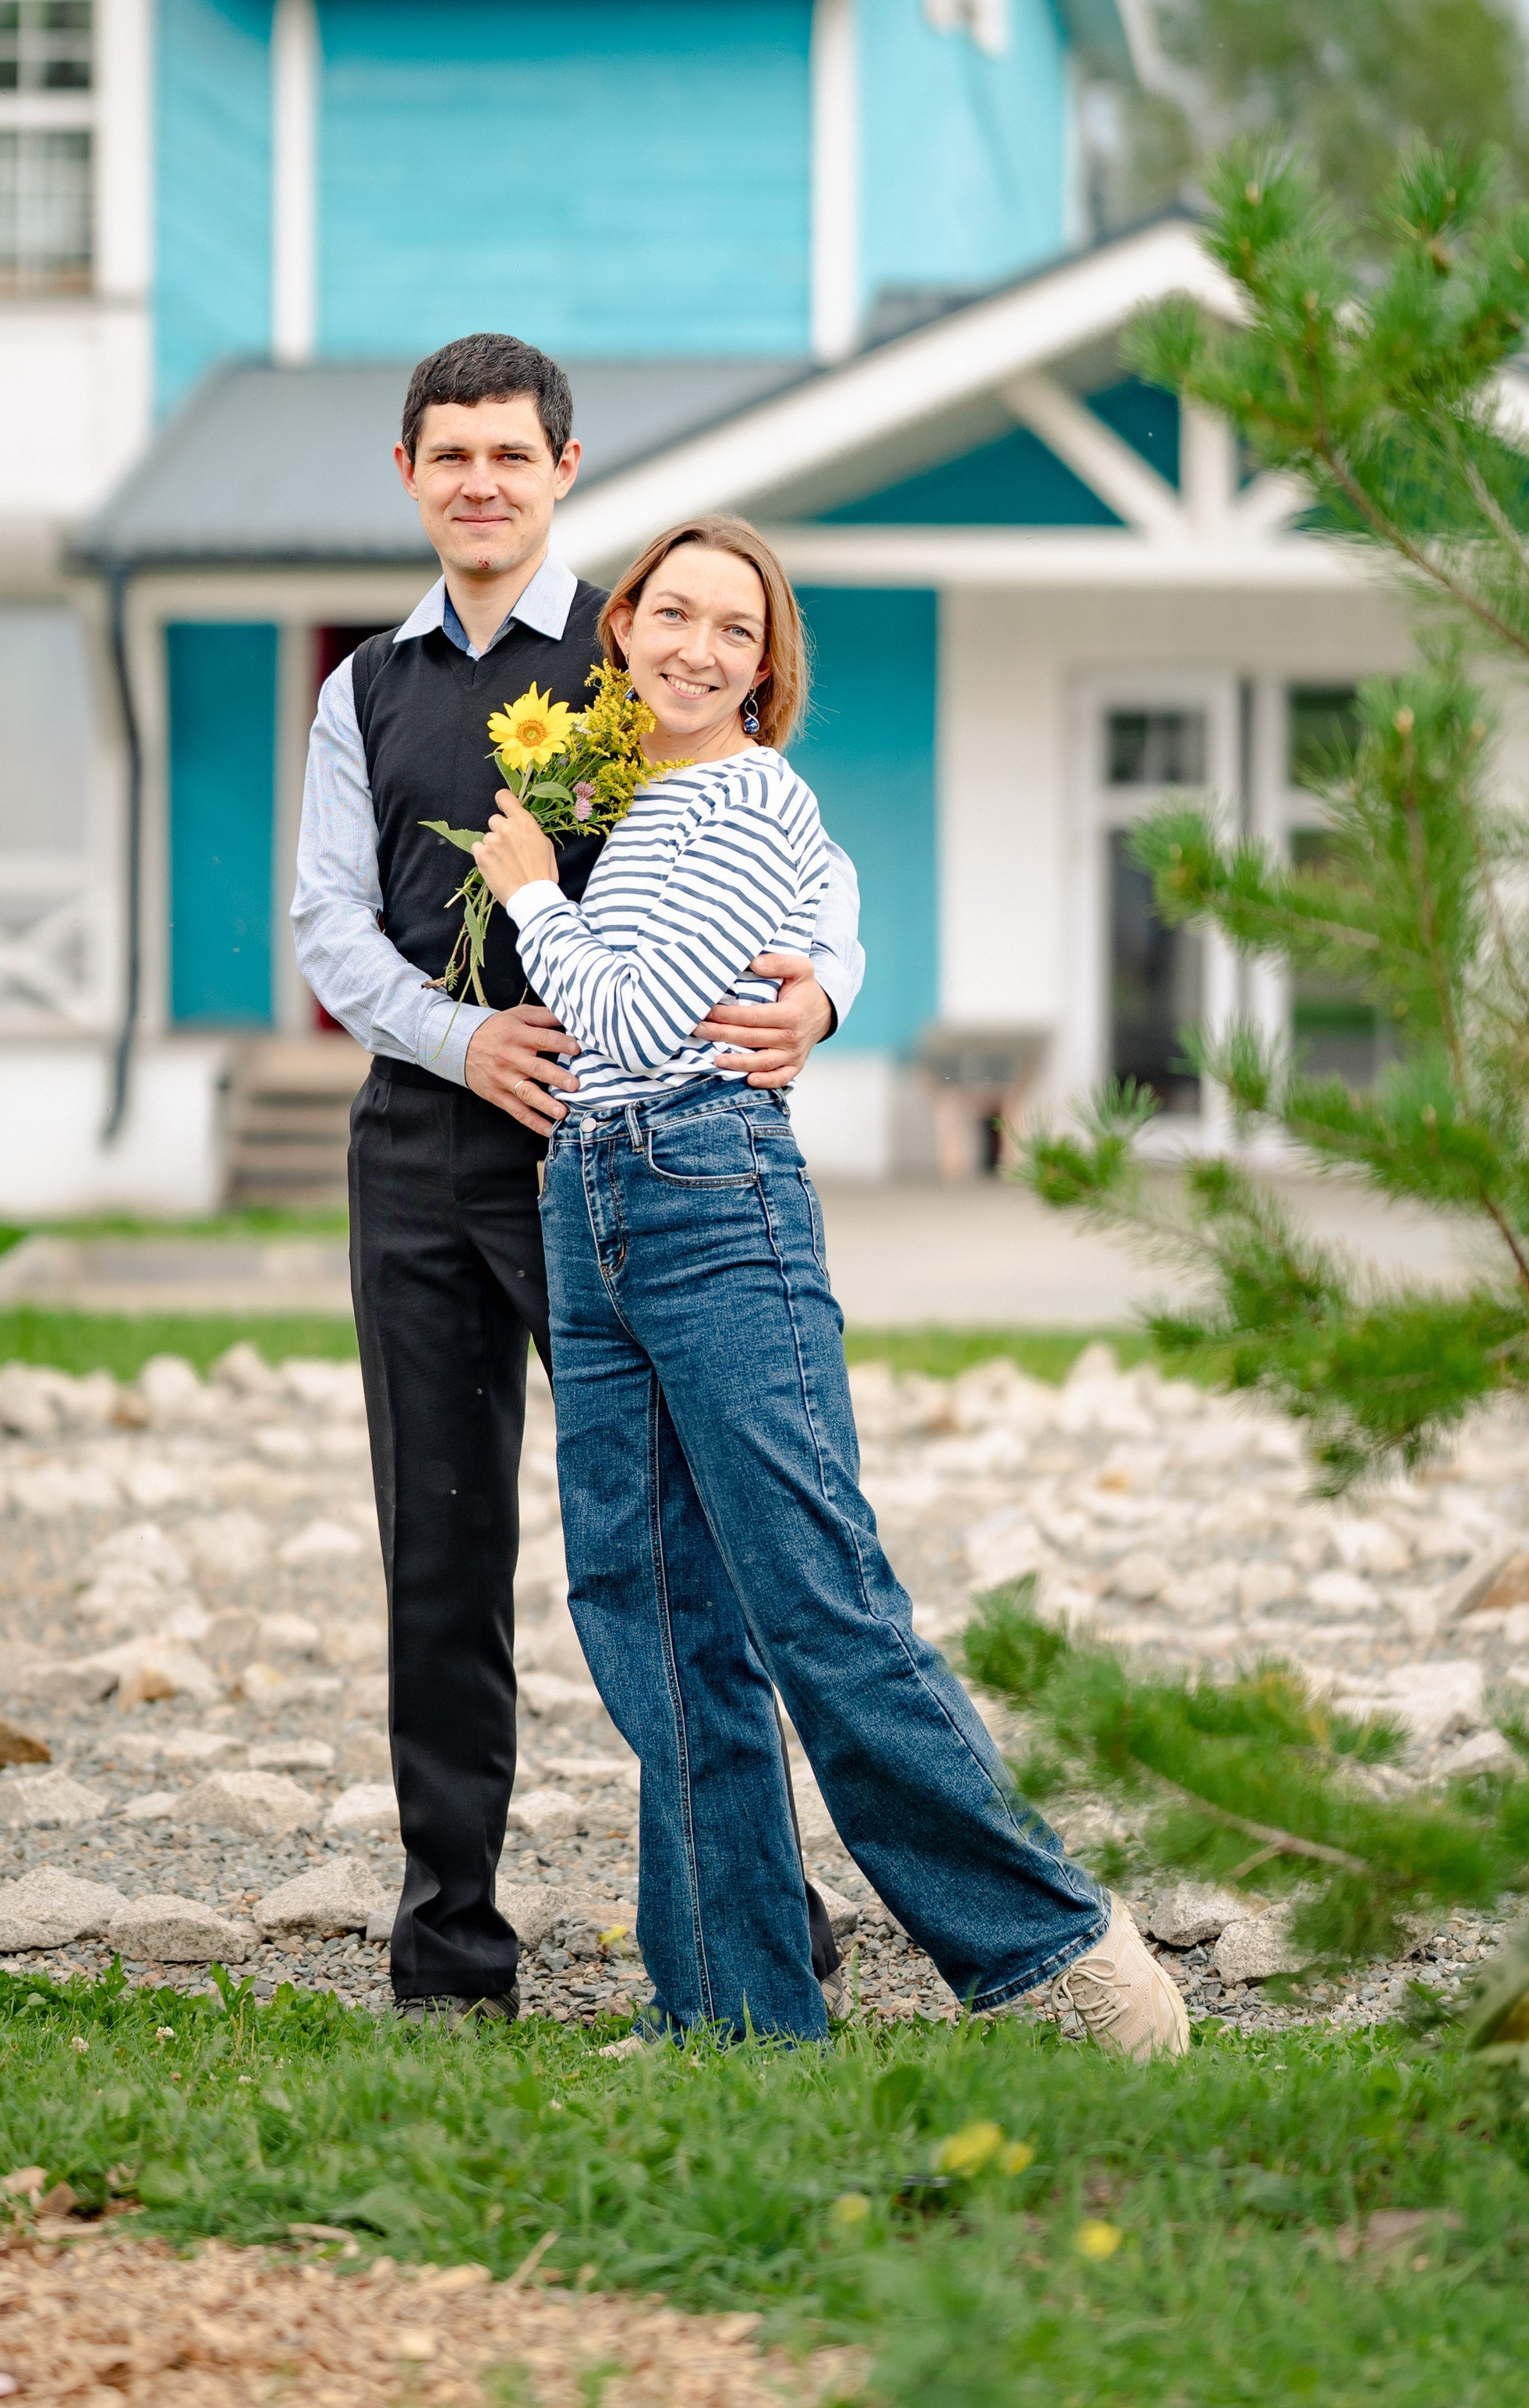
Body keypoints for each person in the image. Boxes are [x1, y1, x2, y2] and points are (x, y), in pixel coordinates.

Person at [473, 513, 1190, 2054]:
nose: (696, 646)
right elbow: (828, 892)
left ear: (765, 663)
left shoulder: (735, 794)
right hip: (584, 1194)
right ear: (622, 630)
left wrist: (533, 894)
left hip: (704, 1186)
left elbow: (638, 1014)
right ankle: (738, 2013)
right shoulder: (618, 789)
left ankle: (1061, 1958)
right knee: (650, 1605)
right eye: (670, 613)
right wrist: (828, 959)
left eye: (734, 629)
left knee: (814, 1593)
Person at [290, 334, 867, 2020]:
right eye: (448, 452)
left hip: (609, 1159)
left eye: (510, 454)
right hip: (415, 1146)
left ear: (562, 469)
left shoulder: (643, 653)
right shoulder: (359, 689)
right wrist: (454, 1041)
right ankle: (451, 1943)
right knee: (439, 1550)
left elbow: (801, 854)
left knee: (681, 1546)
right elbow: (329, 919)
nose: (480, 479)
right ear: (408, 472)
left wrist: (824, 990)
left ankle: (758, 1917)